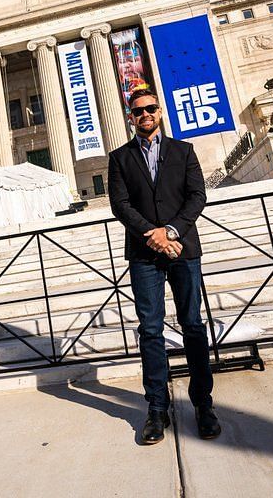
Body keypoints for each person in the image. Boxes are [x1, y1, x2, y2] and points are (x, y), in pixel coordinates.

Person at [108, 88, 221, 444]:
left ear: (159, 111)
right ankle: (157, 408)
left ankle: (203, 405)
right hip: (144, 255)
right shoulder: (120, 158)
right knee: (151, 331)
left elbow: (197, 195)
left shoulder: (183, 151)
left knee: (192, 326)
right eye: (138, 110)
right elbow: (120, 205)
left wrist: (171, 231)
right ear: (131, 116)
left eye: (150, 108)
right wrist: (151, 235)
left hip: (183, 249)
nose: (145, 114)